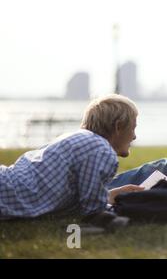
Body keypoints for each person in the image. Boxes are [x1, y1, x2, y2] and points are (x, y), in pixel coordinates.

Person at [0, 94, 143, 220]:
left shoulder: (78, 139)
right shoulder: (102, 150)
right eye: (133, 128)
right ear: (118, 127)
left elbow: (67, 200)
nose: (134, 136)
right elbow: (93, 211)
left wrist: (110, 196)